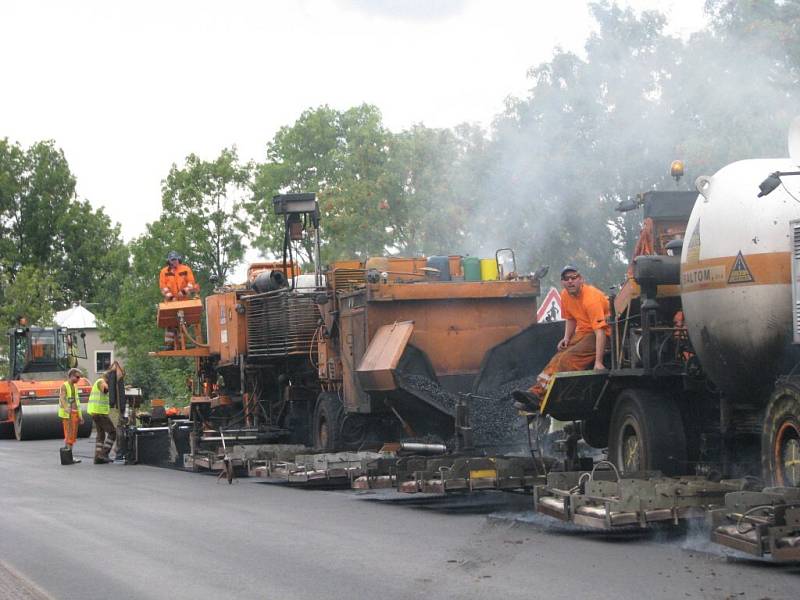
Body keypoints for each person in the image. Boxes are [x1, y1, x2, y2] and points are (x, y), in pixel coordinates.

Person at [513, 265, 610, 411]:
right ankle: (534, 393)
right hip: (583, 332)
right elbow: (570, 318)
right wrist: (566, 338)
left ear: (581, 279)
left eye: (573, 278)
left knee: (567, 359)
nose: (570, 281)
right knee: (557, 358)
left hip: (604, 334)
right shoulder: (565, 295)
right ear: (562, 282)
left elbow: (600, 331)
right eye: (566, 279)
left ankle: (540, 398)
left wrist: (598, 362)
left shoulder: (591, 299)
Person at [158, 250, 199, 348]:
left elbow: (191, 283)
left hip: (183, 301)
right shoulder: (164, 272)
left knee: (183, 323)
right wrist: (171, 297)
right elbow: (163, 287)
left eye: (175, 259)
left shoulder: (185, 269)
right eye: (172, 260)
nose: (174, 261)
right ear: (169, 261)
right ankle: (170, 344)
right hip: (170, 302)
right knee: (170, 323)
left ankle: (182, 343)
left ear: (178, 259)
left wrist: (183, 292)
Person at [87, 370, 117, 464]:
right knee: (112, 432)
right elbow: (105, 389)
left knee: (101, 435)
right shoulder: (101, 381)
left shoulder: (99, 381)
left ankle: (97, 457)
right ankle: (104, 454)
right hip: (99, 413)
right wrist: (112, 386)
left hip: (96, 412)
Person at [58, 368, 85, 462]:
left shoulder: (75, 386)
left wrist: (80, 416)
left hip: (74, 413)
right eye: (77, 377)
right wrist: (66, 408)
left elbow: (76, 401)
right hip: (68, 415)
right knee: (69, 435)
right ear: (72, 376)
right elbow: (62, 398)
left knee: (72, 436)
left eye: (79, 377)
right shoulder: (65, 386)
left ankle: (69, 456)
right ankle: (68, 456)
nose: (79, 379)